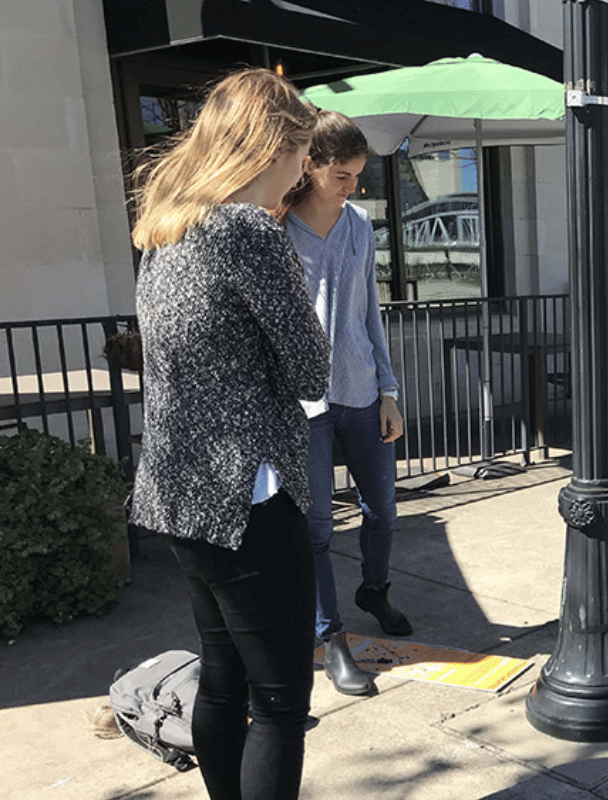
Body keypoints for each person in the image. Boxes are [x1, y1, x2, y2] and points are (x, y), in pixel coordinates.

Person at [128, 69, 329, 800]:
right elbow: (311, 370)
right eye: (303, 151)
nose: (304, 168)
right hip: (249, 499)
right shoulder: (247, 230)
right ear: (271, 144)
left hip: (181, 498)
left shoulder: (168, 227)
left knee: (222, 678)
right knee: (279, 704)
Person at [282, 111, 408, 698]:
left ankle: (374, 589)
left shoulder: (359, 225)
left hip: (361, 391)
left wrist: (389, 391)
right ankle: (330, 638)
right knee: (315, 530)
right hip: (303, 404)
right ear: (308, 166)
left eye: (357, 176)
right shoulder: (276, 227)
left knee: (382, 510)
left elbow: (369, 314)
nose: (352, 186)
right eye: (341, 175)